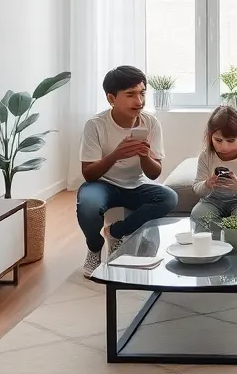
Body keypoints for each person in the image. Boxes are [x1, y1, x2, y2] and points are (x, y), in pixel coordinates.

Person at [76, 65, 178, 277]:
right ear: (111, 98)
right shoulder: (95, 125)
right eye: (130, 94)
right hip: (102, 184)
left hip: (137, 184)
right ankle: (95, 247)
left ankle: (116, 232)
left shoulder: (151, 123)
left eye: (142, 93)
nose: (139, 101)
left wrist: (143, 155)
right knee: (87, 204)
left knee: (169, 197)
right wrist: (116, 155)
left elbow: (154, 174)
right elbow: (89, 174)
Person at [190, 105, 237, 226]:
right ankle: (214, 242)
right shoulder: (206, 155)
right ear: (210, 137)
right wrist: (207, 184)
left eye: (231, 141)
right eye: (218, 140)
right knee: (198, 214)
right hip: (213, 201)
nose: (224, 147)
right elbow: (197, 188)